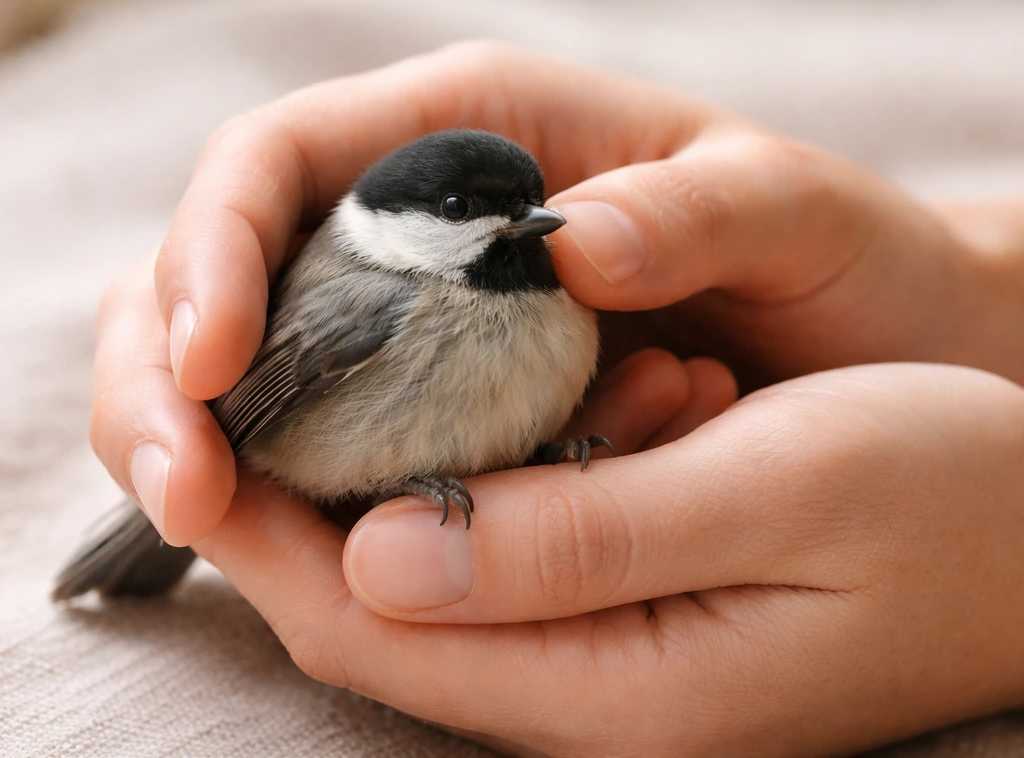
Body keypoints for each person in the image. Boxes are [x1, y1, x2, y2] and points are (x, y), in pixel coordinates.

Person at [88, 41, 1024, 757]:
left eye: (524, 205)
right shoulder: (377, 291)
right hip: (323, 461)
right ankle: (149, 544)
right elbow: (252, 413)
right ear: (400, 227)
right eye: (467, 213)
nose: (519, 225)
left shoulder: (555, 282)